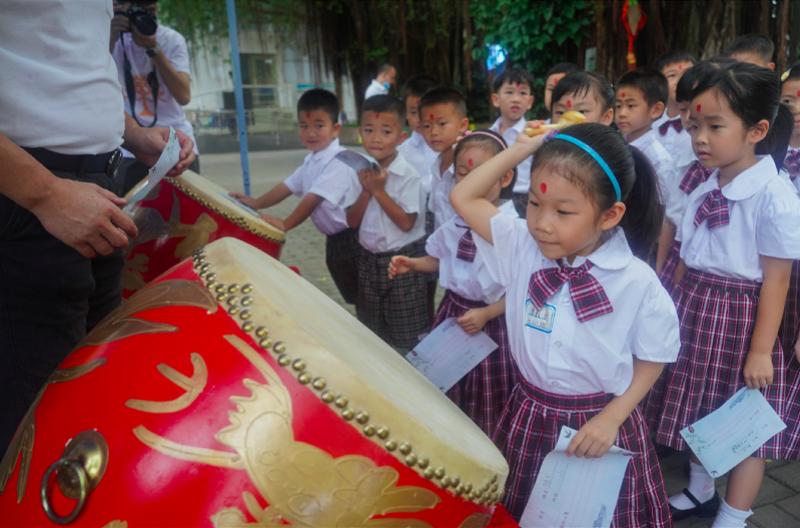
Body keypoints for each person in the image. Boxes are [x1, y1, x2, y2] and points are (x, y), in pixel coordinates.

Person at [450, 122, 678, 526]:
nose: (542, 223)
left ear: (610, 215)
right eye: (535, 205)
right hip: (529, 412)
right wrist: (527, 146)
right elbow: (463, 195)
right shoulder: (522, 245)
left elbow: (655, 355)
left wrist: (612, 418)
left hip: (598, 423)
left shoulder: (636, 280)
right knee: (523, 512)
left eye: (563, 211)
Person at [0, 0, 195, 455]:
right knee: (34, 432)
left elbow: (64, 59)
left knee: (87, 407)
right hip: (29, 198)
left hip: (94, 190)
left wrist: (130, 132)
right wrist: (45, 194)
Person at [648, 62, 800, 528]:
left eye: (716, 126)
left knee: (743, 424)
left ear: (757, 129)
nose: (700, 138)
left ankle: (733, 516)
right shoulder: (704, 183)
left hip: (740, 317)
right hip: (696, 304)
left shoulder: (774, 195)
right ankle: (700, 488)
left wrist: (760, 352)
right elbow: (688, 253)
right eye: (695, 126)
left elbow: (776, 280)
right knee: (696, 406)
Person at [389, 130, 516, 436]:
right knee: (445, 383)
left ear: (505, 177)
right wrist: (414, 264)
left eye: (484, 175)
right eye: (463, 174)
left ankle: (487, 445)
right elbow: (441, 259)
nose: (472, 183)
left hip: (493, 323)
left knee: (487, 391)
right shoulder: (454, 224)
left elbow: (526, 288)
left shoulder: (512, 231)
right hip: (453, 313)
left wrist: (488, 314)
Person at [230, 89, 361, 304]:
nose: (311, 133)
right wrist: (255, 203)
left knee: (364, 297)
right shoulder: (312, 160)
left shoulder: (339, 160)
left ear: (335, 129)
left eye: (319, 126)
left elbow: (313, 199)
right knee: (353, 295)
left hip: (354, 239)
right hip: (335, 241)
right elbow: (287, 186)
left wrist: (285, 224)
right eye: (304, 126)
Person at [346, 95, 428, 351]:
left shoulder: (409, 176)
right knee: (372, 334)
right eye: (369, 131)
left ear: (401, 137)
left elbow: (406, 223)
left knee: (408, 335)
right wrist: (366, 190)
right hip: (368, 261)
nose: (376, 138)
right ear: (360, 132)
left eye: (386, 131)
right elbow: (351, 220)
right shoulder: (359, 171)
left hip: (402, 263)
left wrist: (379, 191)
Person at [110, 0, 199, 193]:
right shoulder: (112, 41)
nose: (144, 15)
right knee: (129, 217)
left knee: (180, 219)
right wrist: (109, 37)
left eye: (150, 10)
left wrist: (154, 48)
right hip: (127, 147)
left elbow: (184, 96)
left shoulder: (171, 39)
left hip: (175, 145)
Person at [418, 86, 470, 230]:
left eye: (442, 124)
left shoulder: (469, 164)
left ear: (463, 125)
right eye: (427, 126)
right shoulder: (436, 165)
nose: (434, 132)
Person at [489, 68, 535, 217]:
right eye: (509, 92)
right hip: (491, 196)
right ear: (496, 99)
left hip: (524, 198)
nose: (516, 99)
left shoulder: (534, 135)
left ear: (529, 102)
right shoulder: (488, 135)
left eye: (522, 93)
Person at [397, 74, 439, 194]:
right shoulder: (401, 152)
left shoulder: (452, 146)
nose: (420, 118)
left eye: (425, 111)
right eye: (414, 112)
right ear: (405, 113)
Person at [654, 51, 697, 164]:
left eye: (687, 73)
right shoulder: (650, 125)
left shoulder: (703, 125)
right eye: (672, 75)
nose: (681, 81)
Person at [550, 71, 615, 126]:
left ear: (606, 117)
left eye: (581, 112)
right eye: (561, 112)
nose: (569, 121)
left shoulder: (614, 141)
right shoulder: (544, 140)